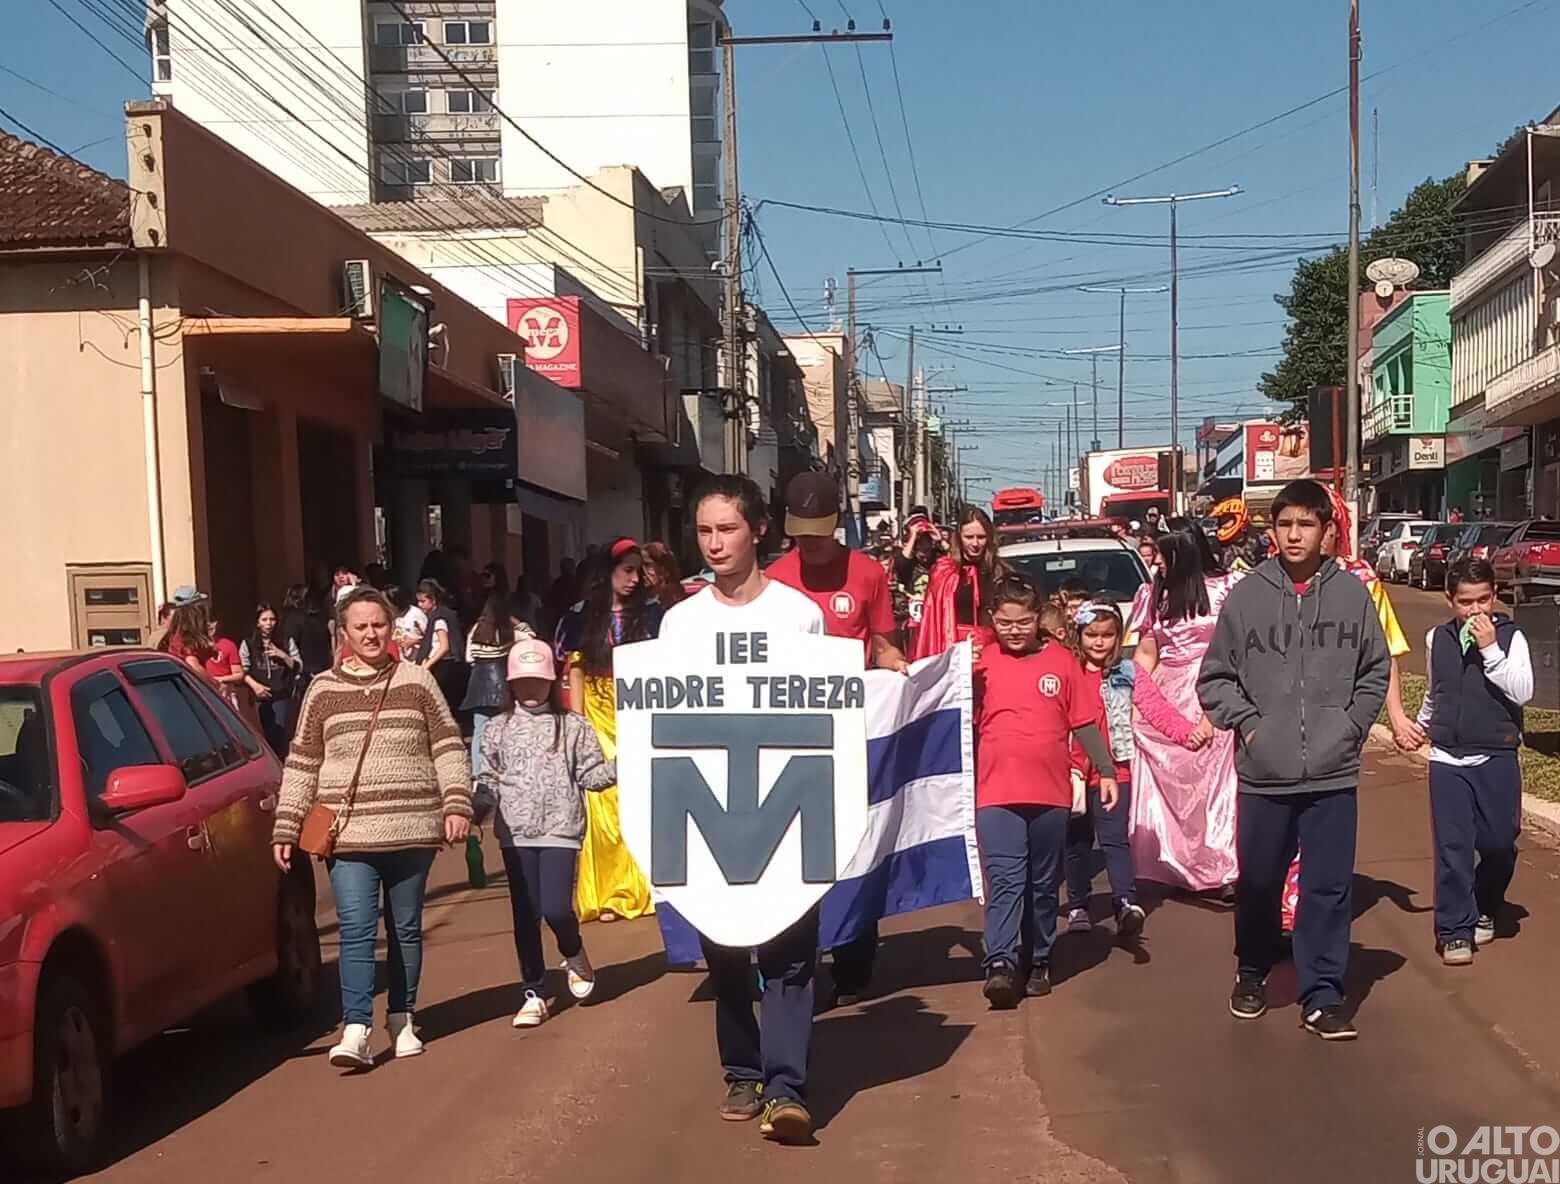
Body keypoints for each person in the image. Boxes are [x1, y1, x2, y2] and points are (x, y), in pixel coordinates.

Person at [657, 474, 827, 1144]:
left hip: (788, 805)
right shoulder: (679, 622)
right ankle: (743, 1069)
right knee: (725, 947)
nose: (715, 542)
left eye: (727, 528)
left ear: (757, 529)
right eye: (704, 530)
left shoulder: (798, 616)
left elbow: (822, 715)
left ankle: (787, 1089)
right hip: (709, 812)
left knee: (789, 954)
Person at [1197, 479, 1389, 1041]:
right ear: (1272, 532)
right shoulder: (1248, 597)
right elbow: (1215, 679)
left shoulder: (1352, 596)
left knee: (1328, 887)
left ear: (1327, 532)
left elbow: (1375, 670)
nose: (1295, 535)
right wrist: (1252, 728)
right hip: (1264, 776)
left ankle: (1323, 993)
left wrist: (1351, 727)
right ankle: (1253, 970)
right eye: (1285, 525)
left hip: (1333, 773)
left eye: (1306, 524)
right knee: (1259, 882)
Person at [271, 586, 472, 1068]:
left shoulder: (417, 682)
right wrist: (286, 825)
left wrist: (457, 803)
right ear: (343, 633)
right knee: (357, 929)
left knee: (404, 929)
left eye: (378, 624)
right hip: (349, 834)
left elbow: (448, 744)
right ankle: (357, 1027)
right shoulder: (321, 690)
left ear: (392, 628)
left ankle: (402, 1018)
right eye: (360, 626)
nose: (370, 634)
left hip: (411, 828)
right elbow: (302, 762)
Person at [767, 471, 909, 1007]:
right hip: (790, 737)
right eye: (800, 533)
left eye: (818, 532)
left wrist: (895, 663)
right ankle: (796, 956)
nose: (809, 543)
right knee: (796, 850)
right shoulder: (774, 579)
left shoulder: (868, 574)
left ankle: (853, 953)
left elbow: (883, 643)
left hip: (853, 735)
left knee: (854, 843)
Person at [975, 575, 1118, 1007]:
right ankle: (1000, 962)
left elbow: (1082, 721)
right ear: (992, 620)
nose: (1014, 630)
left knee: (1040, 885)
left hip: (1050, 793)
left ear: (1038, 618)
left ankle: (1038, 958)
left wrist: (1106, 770)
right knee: (1004, 880)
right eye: (1004, 622)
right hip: (995, 792)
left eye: (1022, 621)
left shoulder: (1061, 661)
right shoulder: (980, 662)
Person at [477, 637, 616, 1026]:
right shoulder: (496, 728)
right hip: (514, 833)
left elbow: (591, 775)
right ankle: (535, 992)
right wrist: (472, 807)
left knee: (556, 908)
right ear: (510, 684)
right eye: (523, 682)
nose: (531, 688)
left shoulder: (574, 726)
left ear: (552, 681)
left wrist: (626, 763)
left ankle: (573, 952)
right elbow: (486, 776)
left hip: (561, 829)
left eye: (539, 680)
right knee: (526, 914)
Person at [1413, 557, 1533, 966]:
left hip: (1496, 752)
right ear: (1451, 601)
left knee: (1500, 842)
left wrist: (1490, 651)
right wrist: (1421, 725)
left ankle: (1486, 901)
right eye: (1466, 602)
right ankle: (1454, 930)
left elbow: (1523, 691)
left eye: (1483, 600)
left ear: (1494, 597)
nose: (1475, 611)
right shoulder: (1437, 639)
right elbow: (1436, 689)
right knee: (1453, 848)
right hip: (1447, 757)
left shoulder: (1511, 637)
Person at [1126, 522, 1243, 894]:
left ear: (1183, 550)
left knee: (1218, 785)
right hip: (1167, 695)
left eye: (1161, 552)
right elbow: (1146, 654)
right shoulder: (1151, 594)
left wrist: (1215, 710)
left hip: (1217, 690)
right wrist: (1132, 698)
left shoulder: (1229, 588)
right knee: (1172, 785)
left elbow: (1243, 649)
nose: (1155, 560)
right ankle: (1171, 862)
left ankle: (1223, 867)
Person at [561, 540, 662, 924]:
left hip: (638, 711)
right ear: (608, 573)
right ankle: (606, 893)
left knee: (639, 800)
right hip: (599, 714)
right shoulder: (582, 616)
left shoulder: (652, 616)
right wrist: (578, 722)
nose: (635, 579)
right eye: (627, 570)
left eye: (639, 570)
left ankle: (642, 888)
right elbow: (576, 670)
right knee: (603, 803)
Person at [1065, 602, 1145, 937]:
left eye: (1108, 635)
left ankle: (1125, 901)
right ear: (1078, 635)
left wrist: (1188, 733)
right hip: (1072, 771)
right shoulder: (1068, 671)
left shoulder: (1126, 672)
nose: (1099, 642)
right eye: (1092, 635)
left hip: (1116, 770)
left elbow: (1156, 708)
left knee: (1115, 839)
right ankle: (1078, 903)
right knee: (1077, 842)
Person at [912, 505, 1003, 660]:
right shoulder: (943, 570)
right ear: (959, 537)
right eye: (969, 537)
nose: (975, 544)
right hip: (952, 651)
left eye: (981, 537)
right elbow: (932, 621)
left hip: (993, 652)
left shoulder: (1000, 571)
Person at [461, 591, 515, 775]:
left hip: (478, 684)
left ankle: (478, 772)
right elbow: (531, 635)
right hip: (503, 684)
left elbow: (469, 658)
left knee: (480, 730)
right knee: (505, 729)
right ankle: (503, 768)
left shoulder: (475, 630)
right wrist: (517, 621)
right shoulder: (506, 631)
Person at [241, 603, 302, 756]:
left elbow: (299, 666)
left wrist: (282, 655)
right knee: (262, 733)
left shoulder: (286, 641)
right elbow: (243, 670)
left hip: (281, 694)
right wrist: (254, 686)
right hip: (259, 695)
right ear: (257, 622)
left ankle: (281, 763)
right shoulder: (248, 644)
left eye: (272, 619)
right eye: (264, 620)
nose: (269, 624)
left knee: (279, 732)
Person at [413, 578, 466, 710]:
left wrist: (427, 665)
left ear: (433, 600)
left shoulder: (439, 619)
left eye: (423, 601)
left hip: (443, 667)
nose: (420, 605)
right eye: (418, 601)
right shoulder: (442, 615)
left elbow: (444, 647)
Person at [894, 518, 941, 653]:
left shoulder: (938, 563)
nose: (924, 554)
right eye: (920, 549)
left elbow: (953, 559)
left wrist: (939, 540)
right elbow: (902, 562)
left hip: (933, 617)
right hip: (912, 620)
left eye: (927, 549)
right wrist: (913, 535)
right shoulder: (908, 565)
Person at [641, 540, 686, 609]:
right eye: (640, 565)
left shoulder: (678, 603)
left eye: (647, 565)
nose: (642, 571)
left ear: (664, 568)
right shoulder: (641, 602)